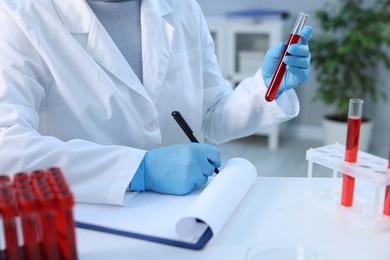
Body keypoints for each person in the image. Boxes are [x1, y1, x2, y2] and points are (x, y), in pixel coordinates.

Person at [0, 0, 312, 205]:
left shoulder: (183, 7)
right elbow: (7, 146)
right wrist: (139, 170)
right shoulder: (19, 16)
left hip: (182, 213)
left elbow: (210, 114)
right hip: (88, 217)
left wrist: (266, 89)